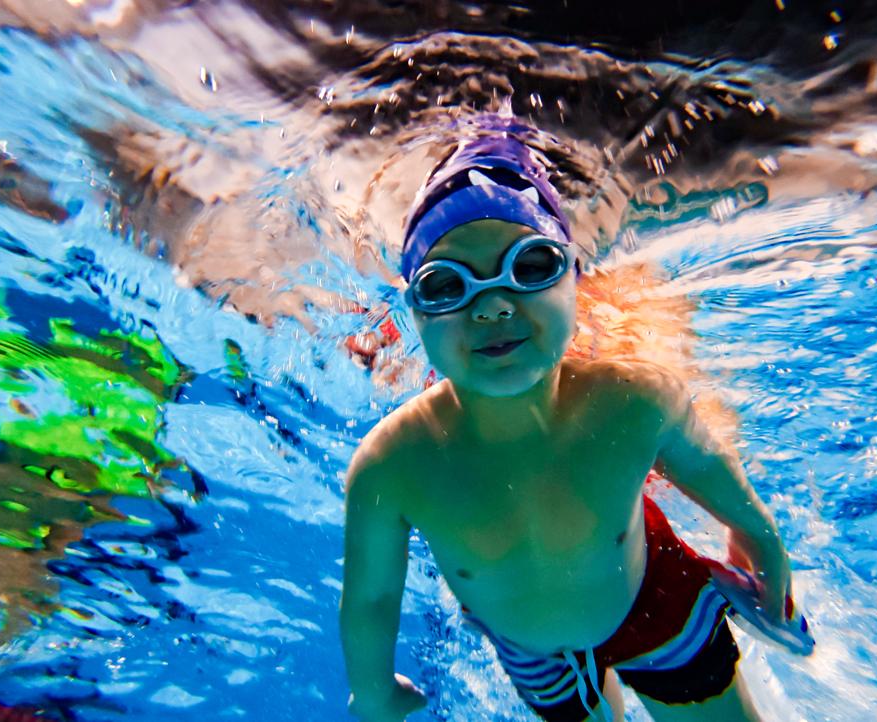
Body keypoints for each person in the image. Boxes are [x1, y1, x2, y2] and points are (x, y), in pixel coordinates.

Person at [340, 125, 801, 722]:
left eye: (530, 266)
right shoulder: (390, 466)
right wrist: (372, 690)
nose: (492, 306)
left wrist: (760, 539)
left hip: (655, 604)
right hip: (532, 654)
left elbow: (711, 467)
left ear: (574, 280)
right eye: (446, 285)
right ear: (416, 314)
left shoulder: (635, 400)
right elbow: (372, 598)